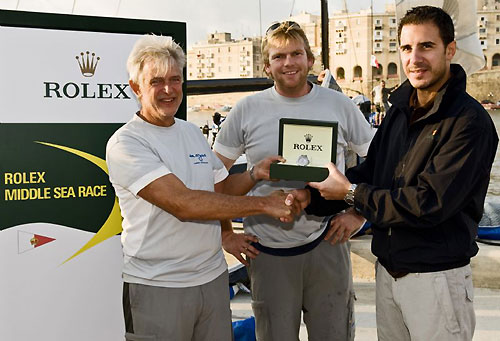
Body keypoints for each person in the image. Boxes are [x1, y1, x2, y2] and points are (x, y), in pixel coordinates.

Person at [293, 6, 498, 340]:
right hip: (388, 275)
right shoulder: (400, 112)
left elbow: (427, 204)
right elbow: (371, 173)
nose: (414, 58)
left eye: (426, 46)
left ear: (450, 50)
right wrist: (311, 196)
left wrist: (348, 194)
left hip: (436, 282)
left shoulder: (469, 123)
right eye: (406, 48)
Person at [105, 34, 298, 341]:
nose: (168, 90)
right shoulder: (126, 143)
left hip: (211, 281)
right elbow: (184, 204)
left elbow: (219, 191)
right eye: (156, 81)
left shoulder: (191, 132)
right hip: (159, 286)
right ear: (136, 87)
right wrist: (263, 204)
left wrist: (255, 174)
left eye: (175, 79)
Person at [213, 21, 374, 340]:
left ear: (310, 60)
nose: (289, 63)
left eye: (296, 54)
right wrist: (226, 233)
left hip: (329, 242)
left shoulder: (339, 104)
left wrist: (360, 212)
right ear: (266, 66)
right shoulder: (246, 109)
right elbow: (214, 182)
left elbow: (381, 159)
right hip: (267, 251)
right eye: (279, 56)